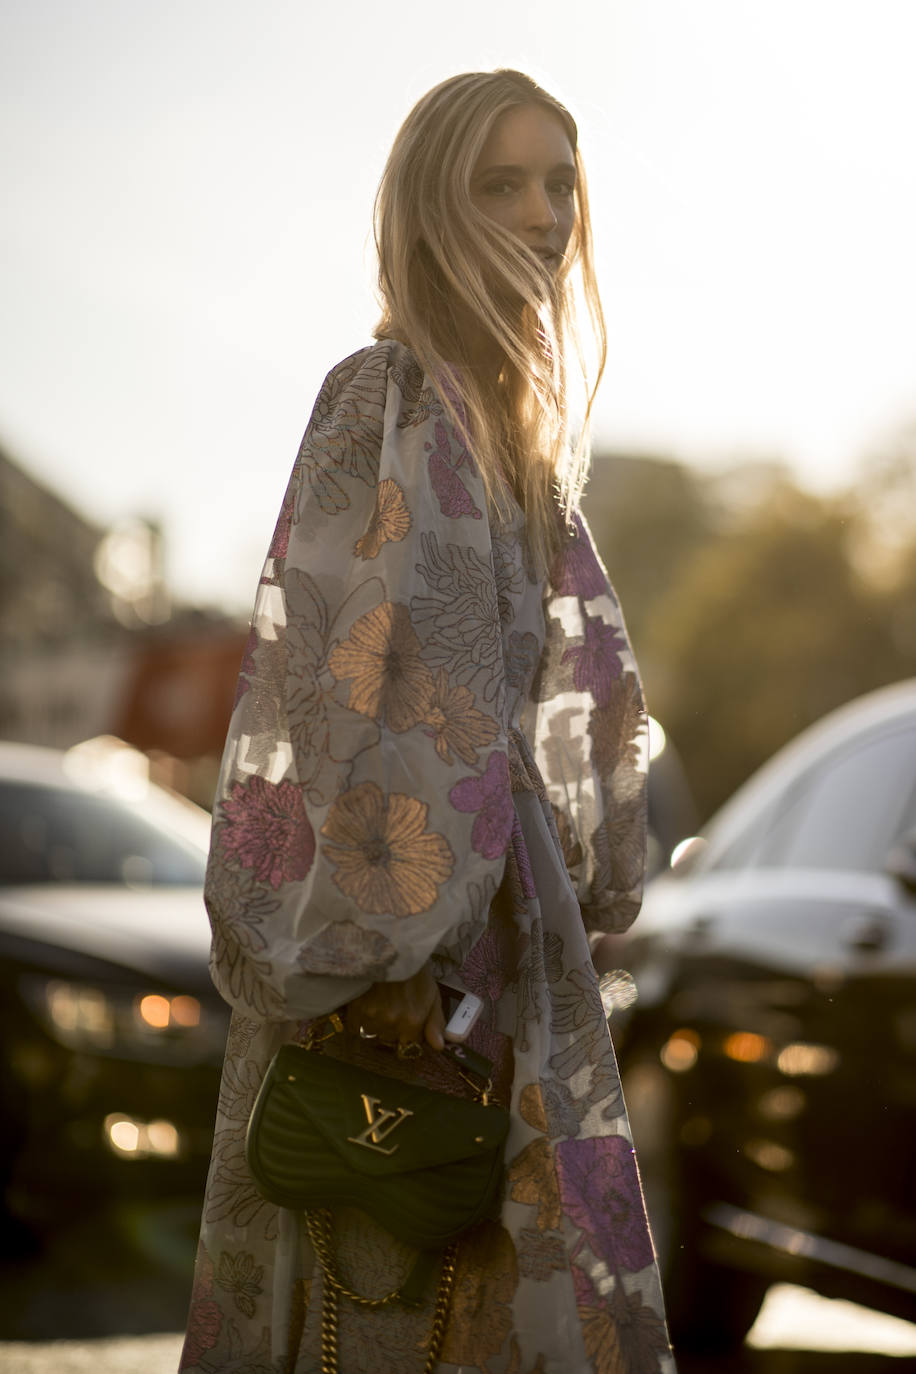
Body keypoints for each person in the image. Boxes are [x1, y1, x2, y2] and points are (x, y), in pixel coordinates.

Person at [179, 68, 675, 1374]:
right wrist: (379, 951)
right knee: (374, 1300)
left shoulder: (517, 440)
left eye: (561, 181)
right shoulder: (382, 395)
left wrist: (586, 881)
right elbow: (337, 696)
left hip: (506, 942)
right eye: (501, 182)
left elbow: (582, 693)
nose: (544, 211)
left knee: (495, 1304)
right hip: (389, 953)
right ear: (430, 207)